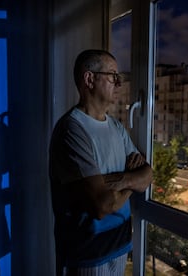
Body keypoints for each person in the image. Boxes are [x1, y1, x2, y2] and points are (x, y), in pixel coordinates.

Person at [49, 49, 153, 275]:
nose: (119, 83)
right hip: (88, 254)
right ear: (89, 79)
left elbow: (147, 176)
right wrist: (130, 180)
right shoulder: (72, 130)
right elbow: (103, 206)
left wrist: (118, 181)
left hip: (119, 245)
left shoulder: (115, 127)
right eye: (113, 76)